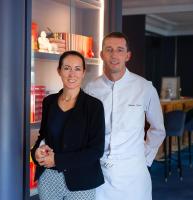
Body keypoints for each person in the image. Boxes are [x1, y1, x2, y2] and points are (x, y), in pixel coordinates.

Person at [84, 32, 166, 200]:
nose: (114, 55)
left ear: (128, 55)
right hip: (100, 171)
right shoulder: (90, 89)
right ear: (101, 55)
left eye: (120, 50)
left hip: (134, 173)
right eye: (109, 49)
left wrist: (144, 157)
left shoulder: (145, 87)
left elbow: (158, 129)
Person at [31, 50, 105, 200]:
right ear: (59, 71)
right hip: (49, 177)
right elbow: (43, 136)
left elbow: (96, 150)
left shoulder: (94, 106)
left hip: (81, 179)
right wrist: (36, 152)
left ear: (83, 72)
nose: (72, 74)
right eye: (67, 68)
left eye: (77, 69)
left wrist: (58, 160)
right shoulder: (49, 101)